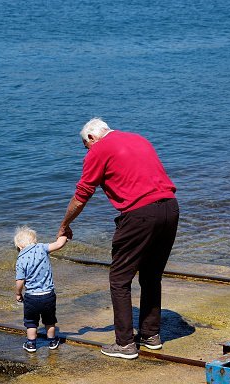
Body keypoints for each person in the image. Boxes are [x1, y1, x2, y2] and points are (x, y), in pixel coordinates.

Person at [57, 117, 179, 360]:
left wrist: (64, 225)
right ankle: (151, 335)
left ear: (91, 137)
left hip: (140, 214)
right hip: (170, 208)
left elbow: (82, 194)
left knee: (119, 278)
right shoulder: (138, 138)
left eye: (85, 146)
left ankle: (125, 344)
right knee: (151, 275)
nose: (87, 151)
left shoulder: (99, 148)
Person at [14, 225, 68, 352]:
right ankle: (52, 341)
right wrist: (65, 233)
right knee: (49, 320)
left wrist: (18, 293)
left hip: (31, 297)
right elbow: (59, 244)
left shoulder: (20, 259)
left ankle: (31, 344)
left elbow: (20, 281)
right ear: (34, 241)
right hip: (48, 294)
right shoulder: (42, 248)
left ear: (20, 247)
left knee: (31, 322)